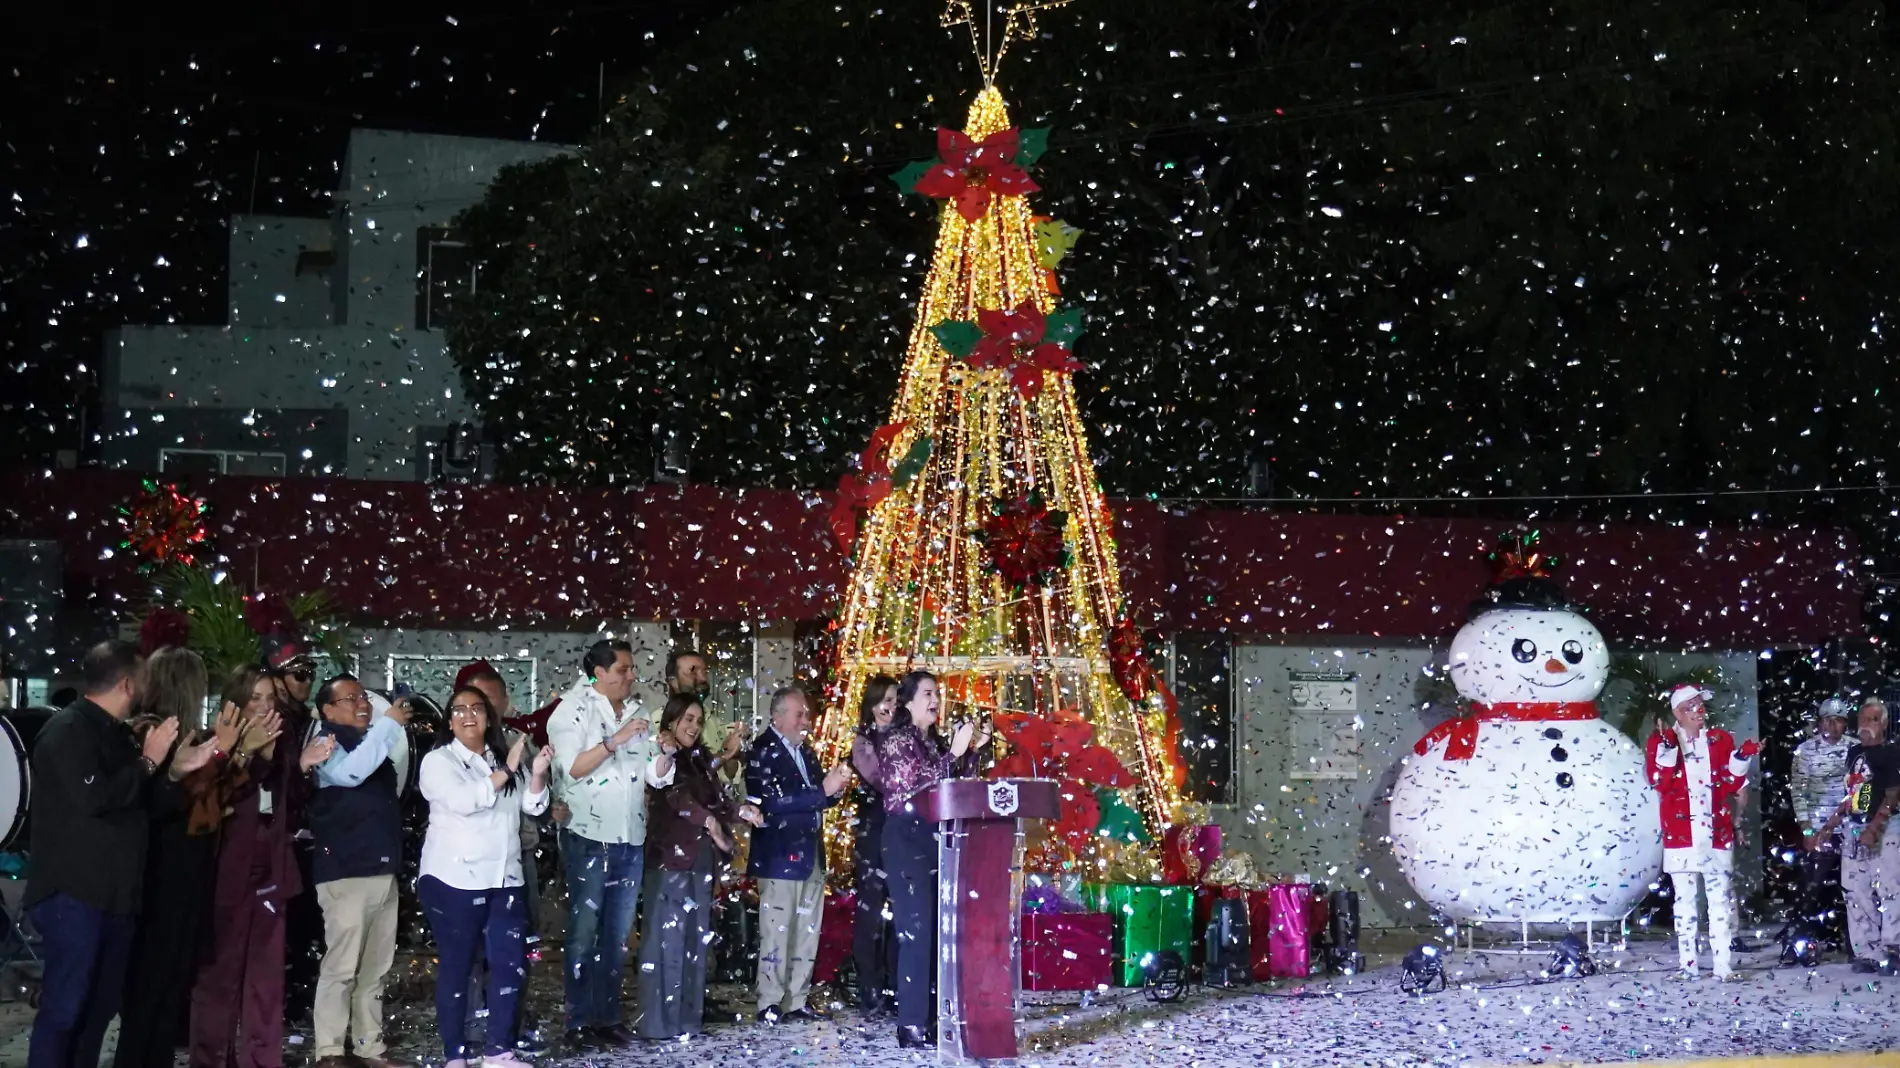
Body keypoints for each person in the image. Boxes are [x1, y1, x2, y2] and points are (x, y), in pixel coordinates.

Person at [26, 640, 216, 1068]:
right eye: (146, 676)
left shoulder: (118, 735)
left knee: (98, 1011)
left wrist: (175, 772)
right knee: (65, 1008)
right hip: (74, 893)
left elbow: (144, 805)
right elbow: (94, 798)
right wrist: (149, 763)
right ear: (129, 682)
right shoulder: (68, 730)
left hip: (117, 895)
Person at [116, 653, 281, 1068]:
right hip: (163, 868)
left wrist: (239, 757)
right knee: (152, 986)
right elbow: (192, 805)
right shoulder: (152, 732)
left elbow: (215, 799)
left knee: (171, 984)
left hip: (187, 867)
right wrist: (230, 754)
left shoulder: (182, 732)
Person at [190, 644, 325, 1068]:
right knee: (220, 973)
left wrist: (295, 765)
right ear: (237, 702)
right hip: (229, 866)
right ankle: (211, 1057)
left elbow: (291, 802)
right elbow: (212, 799)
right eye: (256, 698)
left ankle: (262, 1058)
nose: (267, 706)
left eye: (271, 697)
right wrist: (247, 753)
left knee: (267, 975)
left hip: (273, 862)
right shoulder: (216, 744)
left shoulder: (281, 742)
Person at [417, 686, 553, 1068]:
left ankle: (499, 1051)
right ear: (449, 720)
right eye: (459, 709)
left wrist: (536, 774)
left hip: (505, 878)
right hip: (452, 879)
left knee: (510, 964)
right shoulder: (438, 761)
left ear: (489, 717)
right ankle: (454, 1055)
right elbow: (465, 801)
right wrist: (507, 770)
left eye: (477, 708)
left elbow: (532, 805)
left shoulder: (501, 755)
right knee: (459, 967)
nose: (469, 715)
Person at [546, 639, 655, 1050]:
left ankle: (607, 1017)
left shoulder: (637, 710)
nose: (631, 675)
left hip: (630, 836)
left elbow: (649, 772)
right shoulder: (572, 709)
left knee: (616, 935)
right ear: (599, 673)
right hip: (588, 838)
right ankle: (577, 1019)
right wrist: (615, 740)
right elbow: (572, 768)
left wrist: (660, 761)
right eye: (624, 669)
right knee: (583, 934)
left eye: (631, 669)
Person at [638, 695, 765, 1039]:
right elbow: (678, 797)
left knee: (695, 942)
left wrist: (741, 811)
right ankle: (658, 1024)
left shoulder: (699, 758)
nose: (693, 726)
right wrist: (710, 823)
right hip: (670, 863)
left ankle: (685, 1022)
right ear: (671, 722)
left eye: (697, 720)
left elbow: (719, 799)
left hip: (699, 862)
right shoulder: (662, 755)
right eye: (687, 720)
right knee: (666, 944)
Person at [873, 671, 989, 1048]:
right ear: (907, 701)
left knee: (940, 932)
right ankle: (911, 1024)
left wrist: (971, 751)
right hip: (905, 837)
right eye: (928, 693)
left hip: (936, 838)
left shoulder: (932, 742)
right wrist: (954, 753)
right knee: (916, 932)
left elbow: (953, 787)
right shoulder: (896, 739)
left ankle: (938, 1018)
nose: (936, 699)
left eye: (938, 693)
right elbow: (910, 787)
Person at [307, 675, 411, 1068]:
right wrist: (389, 725)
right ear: (328, 711)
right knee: (342, 967)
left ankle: (370, 1047)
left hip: (382, 868)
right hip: (346, 872)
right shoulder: (325, 744)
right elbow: (349, 774)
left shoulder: (372, 744)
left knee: (375, 969)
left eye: (363, 697)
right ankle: (330, 1051)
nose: (362, 704)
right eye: (349, 699)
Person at [457, 662, 555, 1056]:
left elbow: (537, 798)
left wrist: (547, 801)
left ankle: (508, 1025)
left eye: (487, 700)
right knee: (468, 951)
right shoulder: (452, 749)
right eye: (470, 702)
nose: (478, 710)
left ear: (504, 700)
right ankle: (468, 1028)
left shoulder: (519, 740)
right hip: (465, 865)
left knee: (516, 948)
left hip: (517, 858)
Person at [745, 685, 852, 1024]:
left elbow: (817, 795)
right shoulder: (762, 750)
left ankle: (797, 999)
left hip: (810, 855)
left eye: (806, 713)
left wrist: (836, 788)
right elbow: (769, 803)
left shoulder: (805, 752)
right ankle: (770, 1002)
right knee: (776, 932)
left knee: (807, 931)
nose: (806, 720)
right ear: (777, 716)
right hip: (779, 855)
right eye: (799, 713)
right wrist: (823, 791)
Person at [1646, 683, 1758, 980]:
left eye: (1700, 705)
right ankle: (1688, 966)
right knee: (1684, 901)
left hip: (1716, 833)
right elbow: (1660, 782)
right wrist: (1668, 748)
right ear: (1677, 713)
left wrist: (1743, 756)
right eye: (1691, 707)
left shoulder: (1720, 740)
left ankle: (1723, 966)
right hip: (1681, 834)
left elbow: (1732, 782)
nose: (1699, 711)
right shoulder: (1662, 740)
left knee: (1719, 900)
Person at [1809, 697, 1900, 972]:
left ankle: (1893, 949)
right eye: (1862, 719)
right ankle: (1866, 952)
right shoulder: (1854, 753)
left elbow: (1893, 793)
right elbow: (1853, 793)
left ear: (1883, 723)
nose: (1865, 725)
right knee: (1856, 890)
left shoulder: (1892, 753)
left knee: (1889, 889)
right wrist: (1830, 824)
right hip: (1854, 825)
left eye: (1872, 719)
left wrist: (1874, 828)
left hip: (1885, 827)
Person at [848, 675, 900, 1017]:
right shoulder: (862, 741)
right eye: (883, 700)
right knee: (870, 914)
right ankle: (870, 989)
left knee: (901, 915)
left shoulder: (908, 738)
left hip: (902, 835)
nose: (889, 707)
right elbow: (884, 781)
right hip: (872, 836)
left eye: (895, 700)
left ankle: (898, 988)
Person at [1791, 697, 1853, 944]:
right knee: (1812, 887)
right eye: (1828, 720)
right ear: (1819, 723)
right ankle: (1805, 940)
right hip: (1817, 829)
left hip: (1849, 829)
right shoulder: (1805, 751)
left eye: (1838, 720)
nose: (1832, 725)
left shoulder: (1855, 748)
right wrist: (1807, 830)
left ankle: (1852, 943)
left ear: (1845, 724)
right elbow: (1798, 790)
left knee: (1851, 889)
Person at [666, 648, 749, 781]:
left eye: (704, 672)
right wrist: (724, 753)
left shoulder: (715, 721)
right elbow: (685, 774)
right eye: (693, 672)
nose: (702, 678)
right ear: (673, 682)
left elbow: (729, 777)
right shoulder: (658, 720)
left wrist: (734, 749)